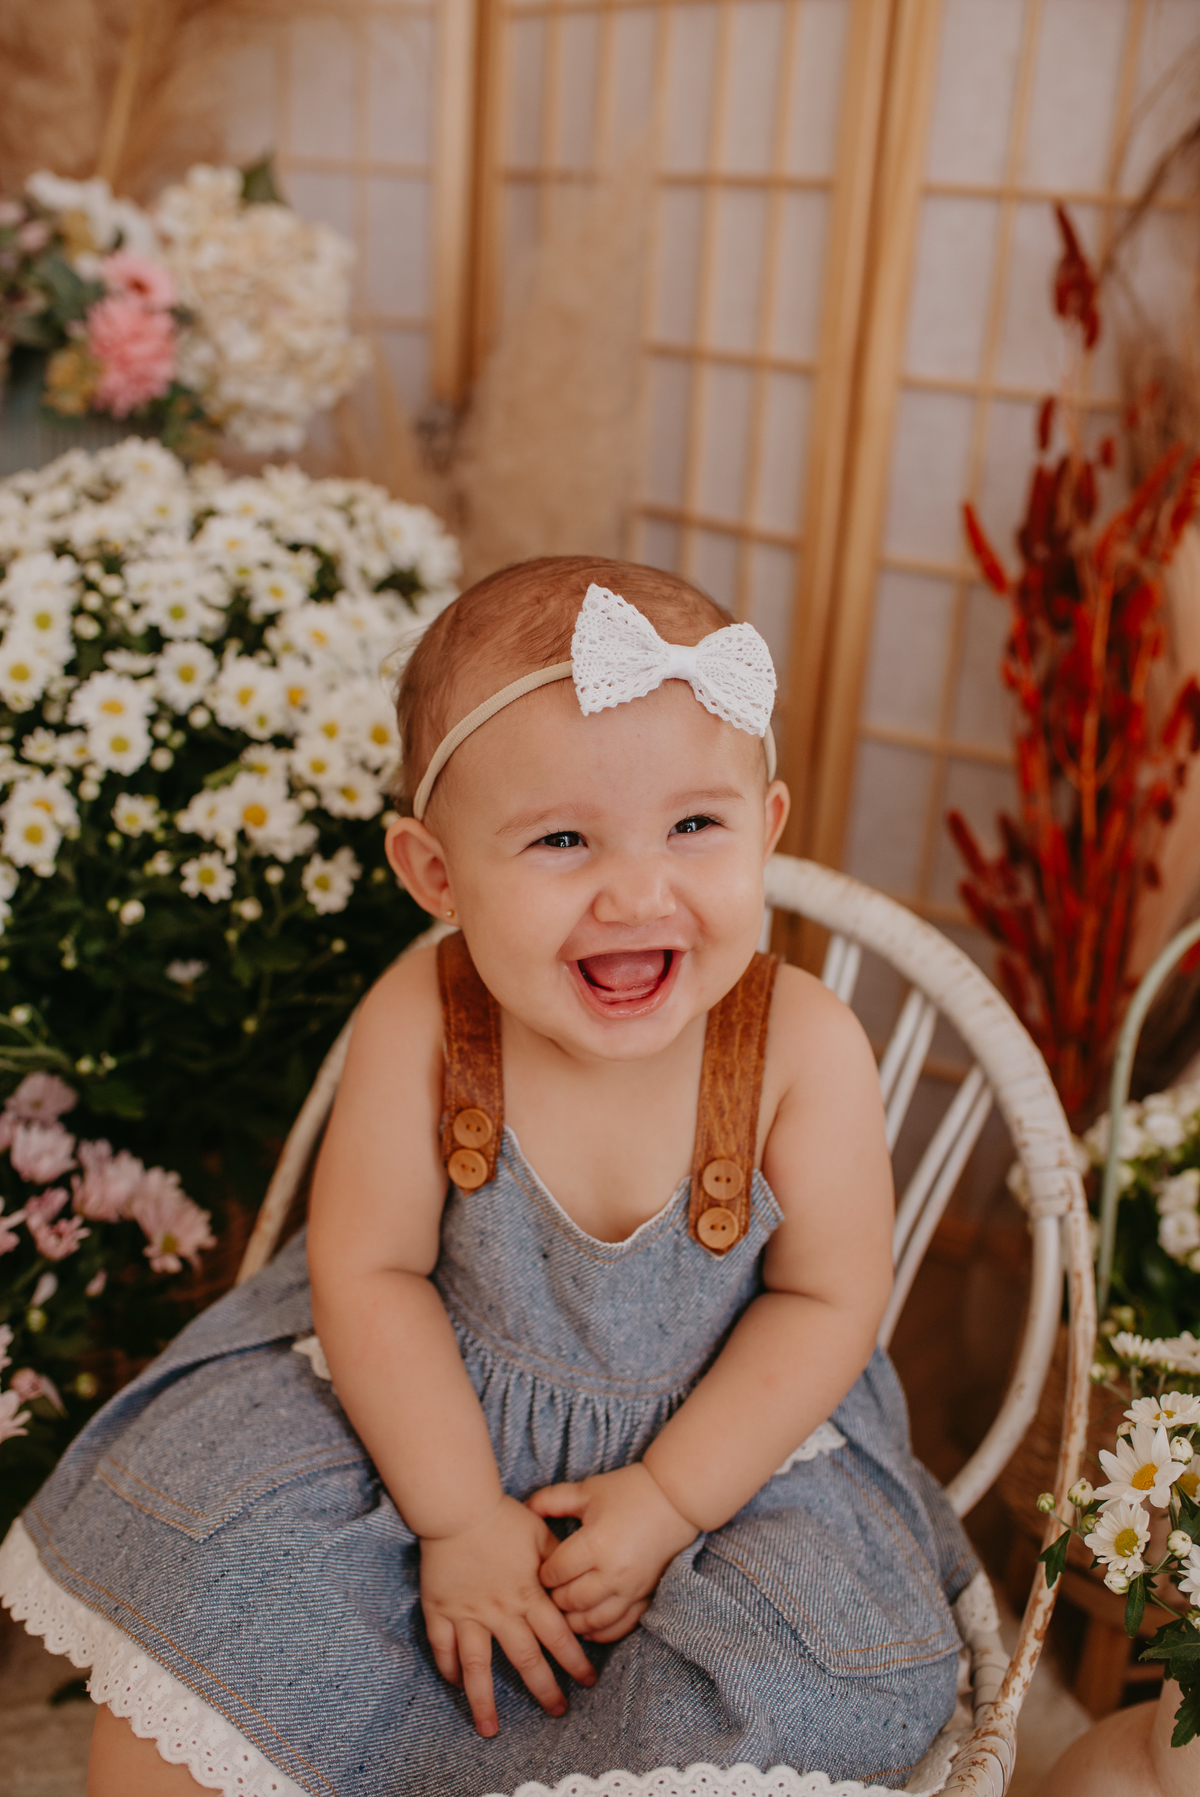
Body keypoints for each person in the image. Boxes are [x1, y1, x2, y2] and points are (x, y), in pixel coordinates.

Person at [0, 558, 979, 1797]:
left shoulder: (805, 1047)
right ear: (436, 877)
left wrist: (672, 1499)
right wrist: (456, 1518)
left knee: (781, 1687)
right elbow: (372, 1271)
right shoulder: (425, 1013)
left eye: (696, 826)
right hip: (417, 1414)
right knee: (225, 1600)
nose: (637, 890)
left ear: (767, 829)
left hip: (724, 1454)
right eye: (563, 839)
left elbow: (826, 1304)